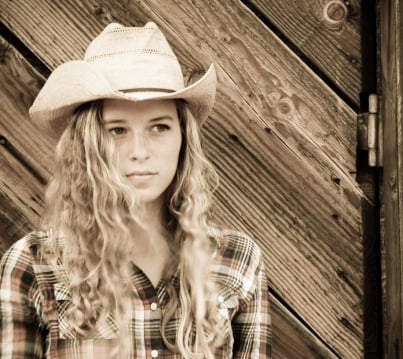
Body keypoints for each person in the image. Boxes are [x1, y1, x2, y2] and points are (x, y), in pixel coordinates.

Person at [0, 22, 271, 358]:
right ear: (88, 144)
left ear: (183, 139)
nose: (139, 151)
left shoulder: (238, 259)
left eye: (159, 127)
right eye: (117, 130)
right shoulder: (36, 264)